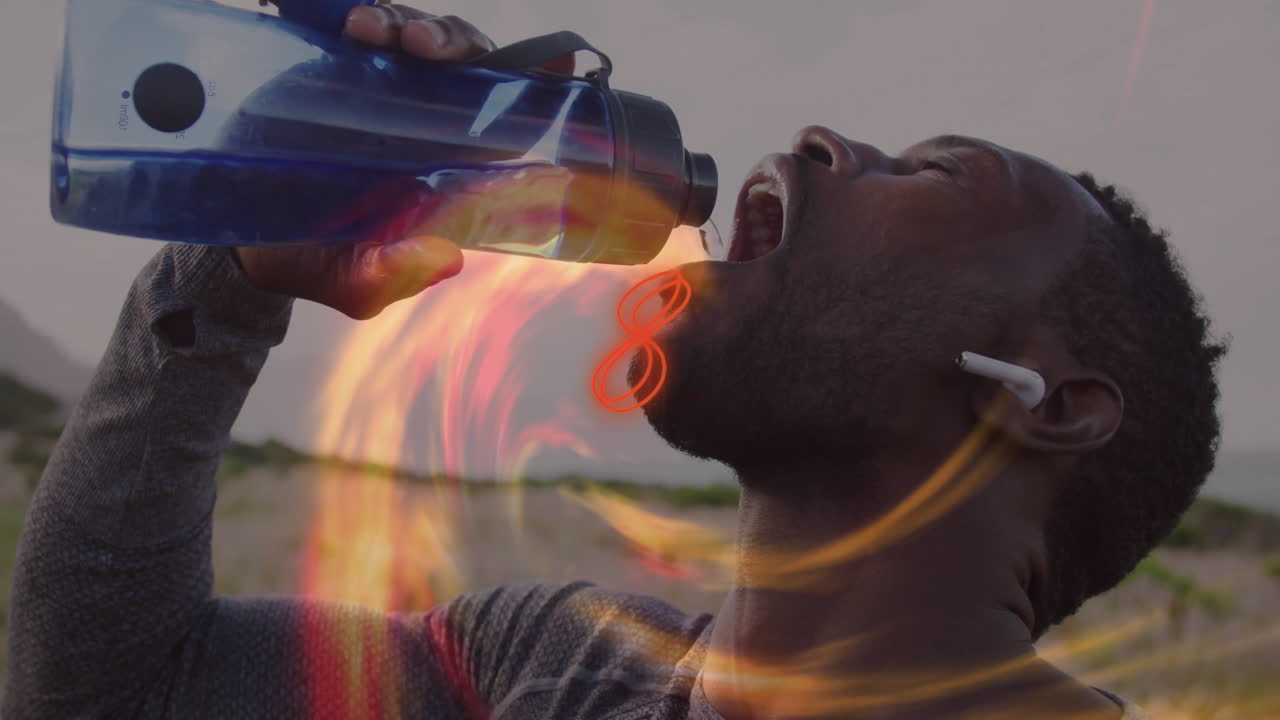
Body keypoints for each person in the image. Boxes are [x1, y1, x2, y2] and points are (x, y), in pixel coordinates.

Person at [3, 4, 1224, 719]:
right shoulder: (546, 665)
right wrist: (234, 274)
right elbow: (107, 687)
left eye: (937, 172)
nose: (817, 134)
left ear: (1049, 404)